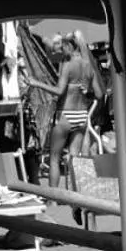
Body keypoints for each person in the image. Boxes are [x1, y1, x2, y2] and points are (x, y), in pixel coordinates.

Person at [26, 32, 99, 191]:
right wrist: (83, 90)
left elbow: (59, 91)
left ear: (69, 46)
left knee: (54, 158)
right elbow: (99, 94)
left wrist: (36, 83)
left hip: (66, 114)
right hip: (82, 116)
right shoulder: (88, 66)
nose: (60, 50)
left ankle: (53, 199)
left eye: (62, 46)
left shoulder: (68, 65)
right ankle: (73, 194)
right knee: (73, 158)